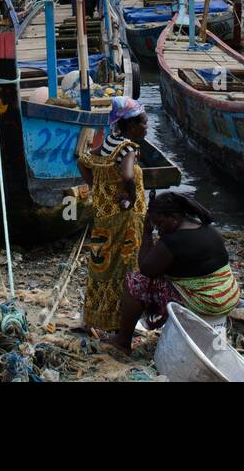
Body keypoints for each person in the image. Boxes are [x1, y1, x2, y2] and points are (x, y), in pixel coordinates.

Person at [109, 191, 241, 352]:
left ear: (174, 217)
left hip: (207, 302)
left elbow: (146, 269)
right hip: (227, 295)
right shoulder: (204, 227)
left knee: (135, 281)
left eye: (160, 224)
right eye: (156, 227)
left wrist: (146, 233)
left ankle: (123, 341)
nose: (159, 230)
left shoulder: (173, 241)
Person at [79, 97, 147, 334]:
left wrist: (97, 186)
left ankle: (96, 316)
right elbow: (128, 177)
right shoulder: (127, 148)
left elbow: (83, 160)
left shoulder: (109, 143)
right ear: (130, 125)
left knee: (102, 264)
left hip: (103, 215)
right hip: (125, 217)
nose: (146, 127)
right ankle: (122, 319)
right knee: (127, 265)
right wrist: (130, 197)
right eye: (143, 123)